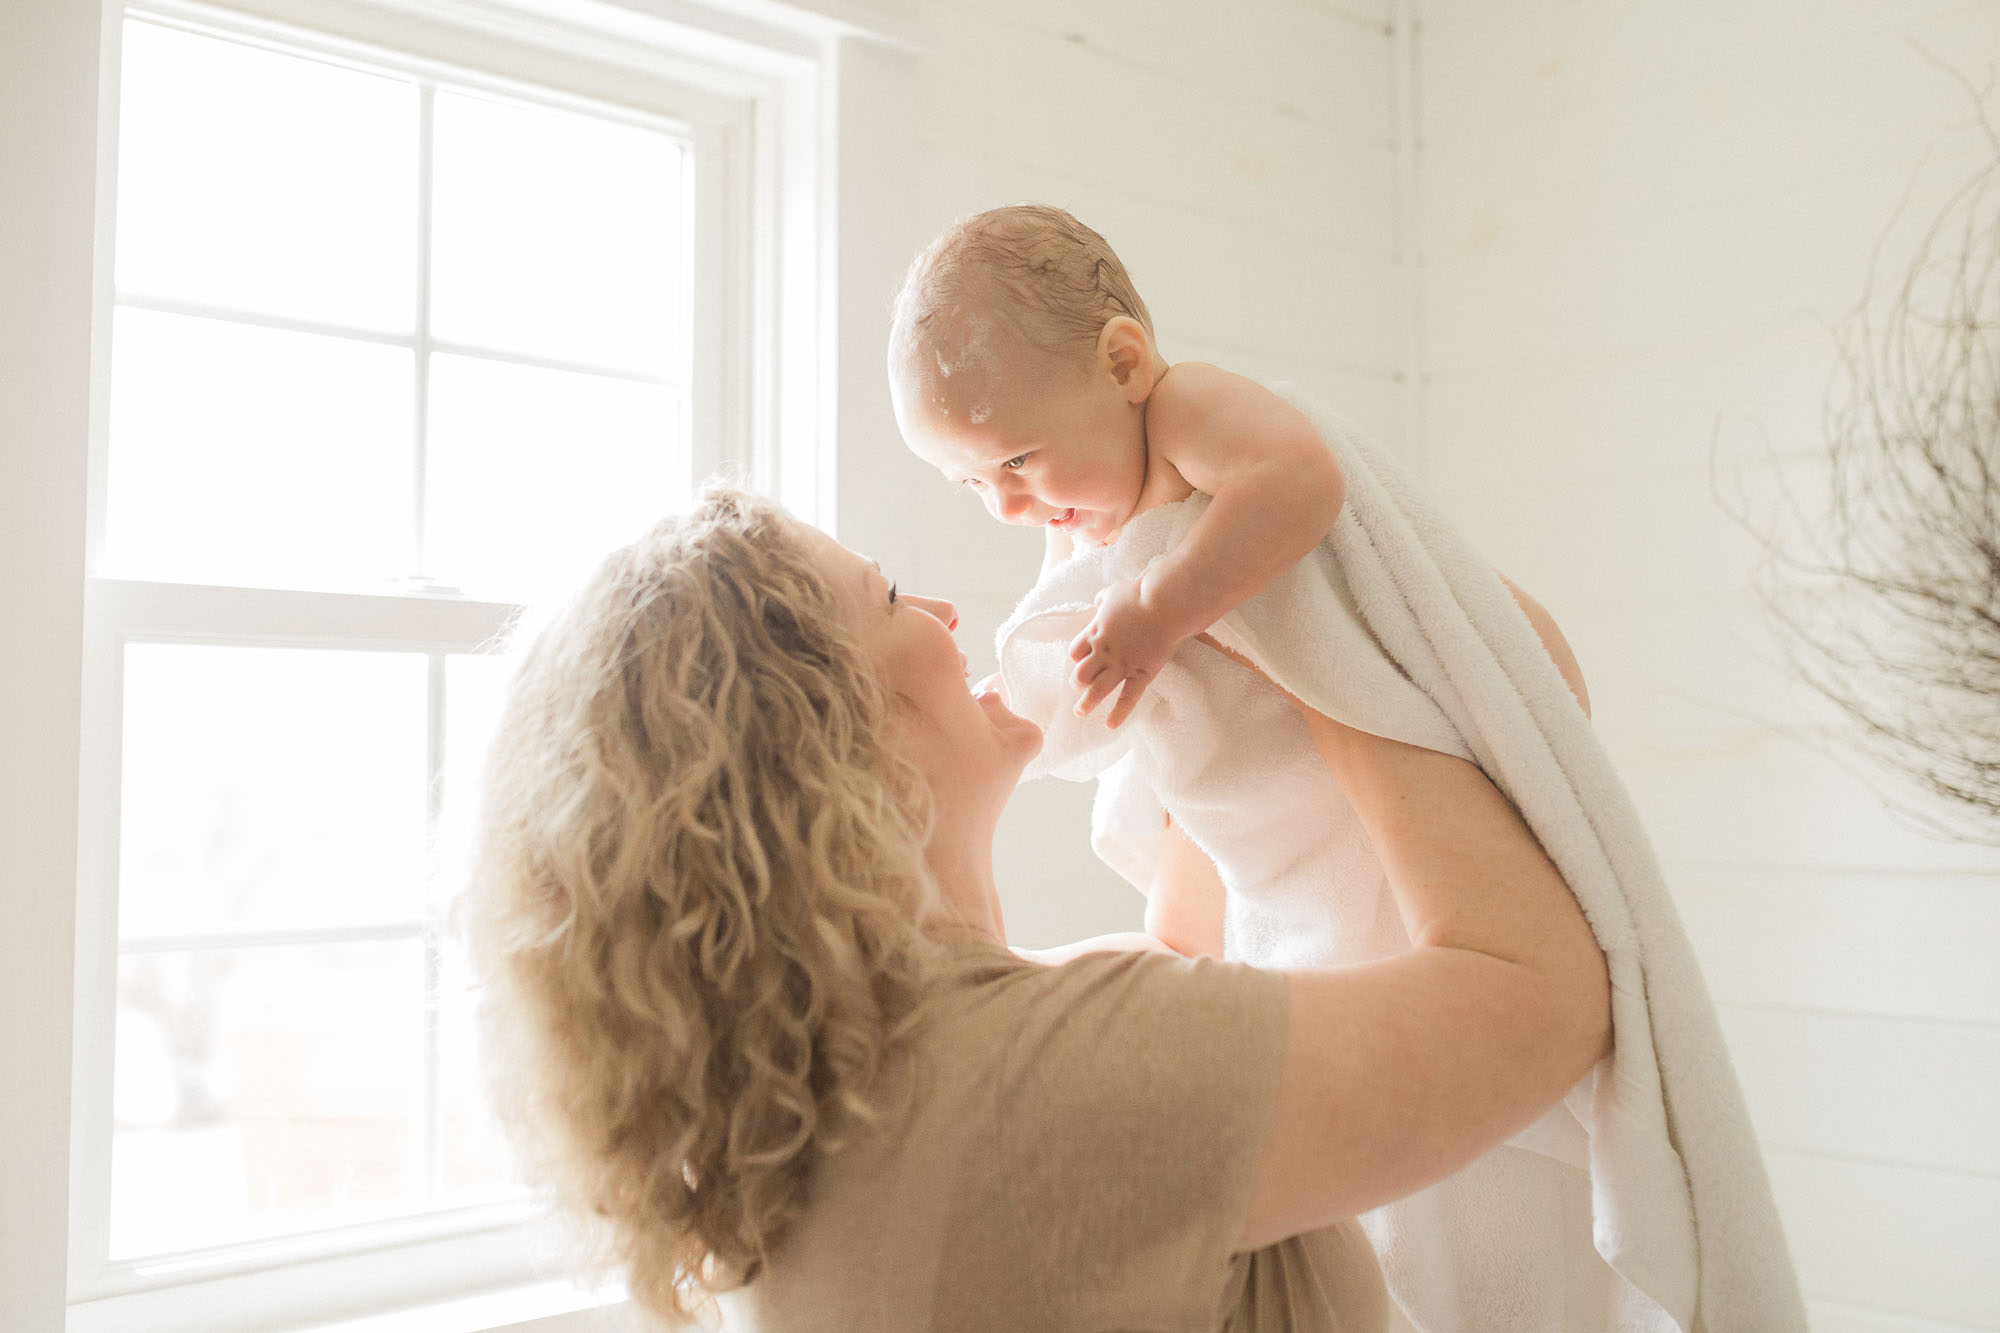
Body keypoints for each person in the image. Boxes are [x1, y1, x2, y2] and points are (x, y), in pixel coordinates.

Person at [463, 485, 1611, 1330]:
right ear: (836, 739)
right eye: (891, 596)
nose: (949, 611)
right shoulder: (1053, 1085)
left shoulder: (830, 1117)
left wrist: (1205, 692)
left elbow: (1186, 968)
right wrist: (1317, 634)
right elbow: (1542, 1000)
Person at [888, 202, 1356, 730]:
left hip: (1345, 712)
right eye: (973, 482)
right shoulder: (1073, 516)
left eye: (1016, 460)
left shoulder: (1183, 410)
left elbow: (1303, 480)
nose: (1006, 507)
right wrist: (1024, 691)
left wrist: (1159, 610)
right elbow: (1062, 626)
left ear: (1122, 365)